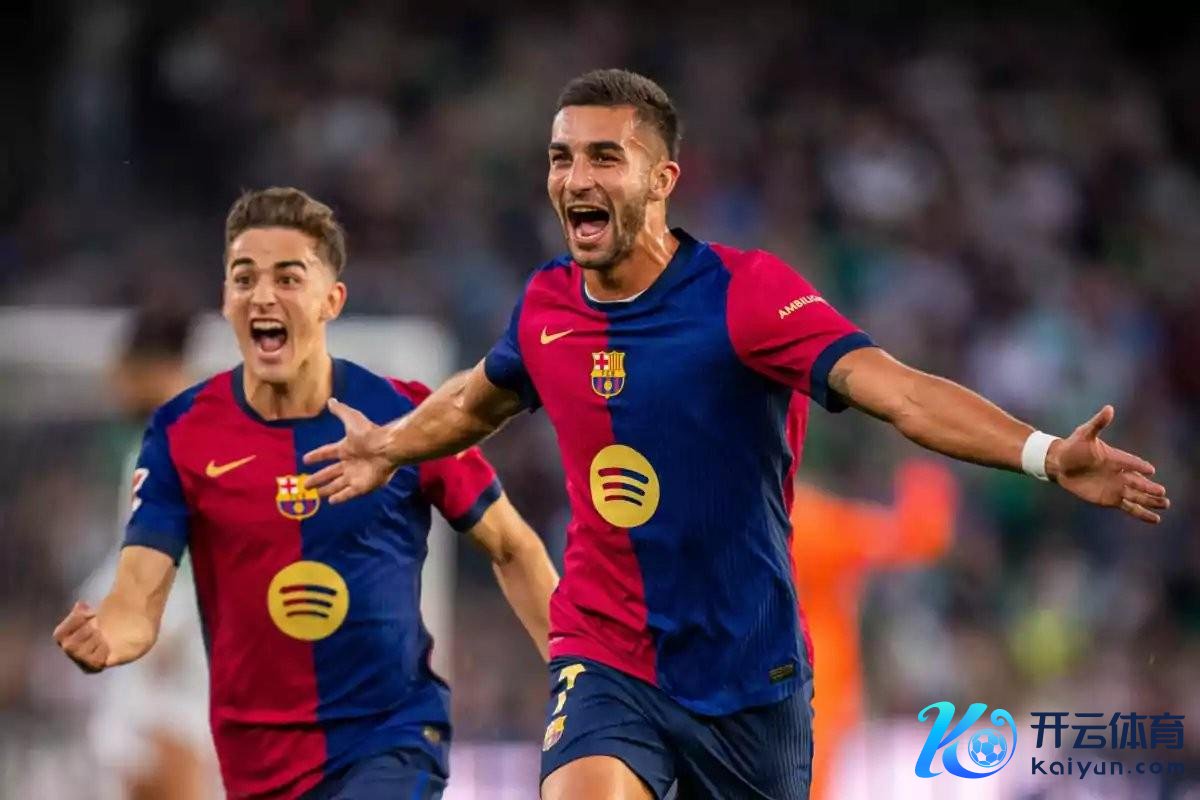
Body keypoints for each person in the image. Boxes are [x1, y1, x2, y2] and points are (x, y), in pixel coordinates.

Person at [300, 69, 1170, 800]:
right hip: (608, 652)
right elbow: (475, 402)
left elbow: (901, 393)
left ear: (662, 179)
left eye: (605, 156)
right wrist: (388, 446)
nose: (575, 178)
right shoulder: (546, 305)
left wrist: (1043, 454)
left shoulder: (746, 296)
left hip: (750, 680)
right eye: (562, 158)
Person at [53, 187, 559, 800]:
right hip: (257, 765)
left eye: (288, 278)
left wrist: (579, 675)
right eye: (245, 278)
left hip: (390, 742)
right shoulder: (180, 436)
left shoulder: (403, 416)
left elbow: (512, 546)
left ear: (331, 300)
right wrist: (109, 639)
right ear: (227, 300)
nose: (264, 295)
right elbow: (138, 596)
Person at [80, 305, 219, 800]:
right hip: (154, 654)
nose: (114, 381)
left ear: (154, 368)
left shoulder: (189, 444)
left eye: (123, 368)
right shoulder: (162, 440)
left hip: (171, 661)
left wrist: (160, 630)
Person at [790, 460, 957, 800]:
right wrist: (927, 479)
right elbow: (919, 537)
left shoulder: (731, 524)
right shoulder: (812, 521)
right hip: (814, 677)